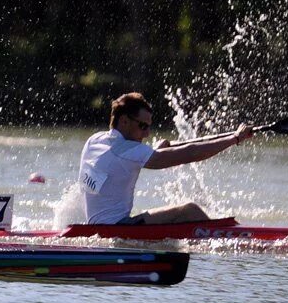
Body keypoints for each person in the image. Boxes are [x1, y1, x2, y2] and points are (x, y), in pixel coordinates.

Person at [78, 92, 253, 225]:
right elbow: (190, 153)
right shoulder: (129, 151)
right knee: (189, 210)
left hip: (95, 227)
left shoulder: (95, 140)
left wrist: (154, 152)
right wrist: (234, 138)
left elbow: (119, 162)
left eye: (148, 127)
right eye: (142, 126)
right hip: (117, 229)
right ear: (124, 121)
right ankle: (233, 237)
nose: (147, 133)